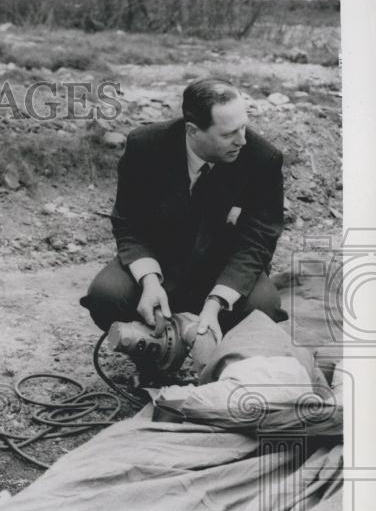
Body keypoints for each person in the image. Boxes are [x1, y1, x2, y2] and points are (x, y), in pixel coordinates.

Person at [81, 78, 287, 351]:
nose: (242, 140)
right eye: (228, 134)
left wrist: (216, 303)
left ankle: (217, 353)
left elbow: (258, 240)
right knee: (106, 295)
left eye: (244, 127)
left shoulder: (263, 160)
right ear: (192, 130)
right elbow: (128, 222)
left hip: (223, 271)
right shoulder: (145, 146)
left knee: (264, 307)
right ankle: (155, 350)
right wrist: (150, 282)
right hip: (161, 265)